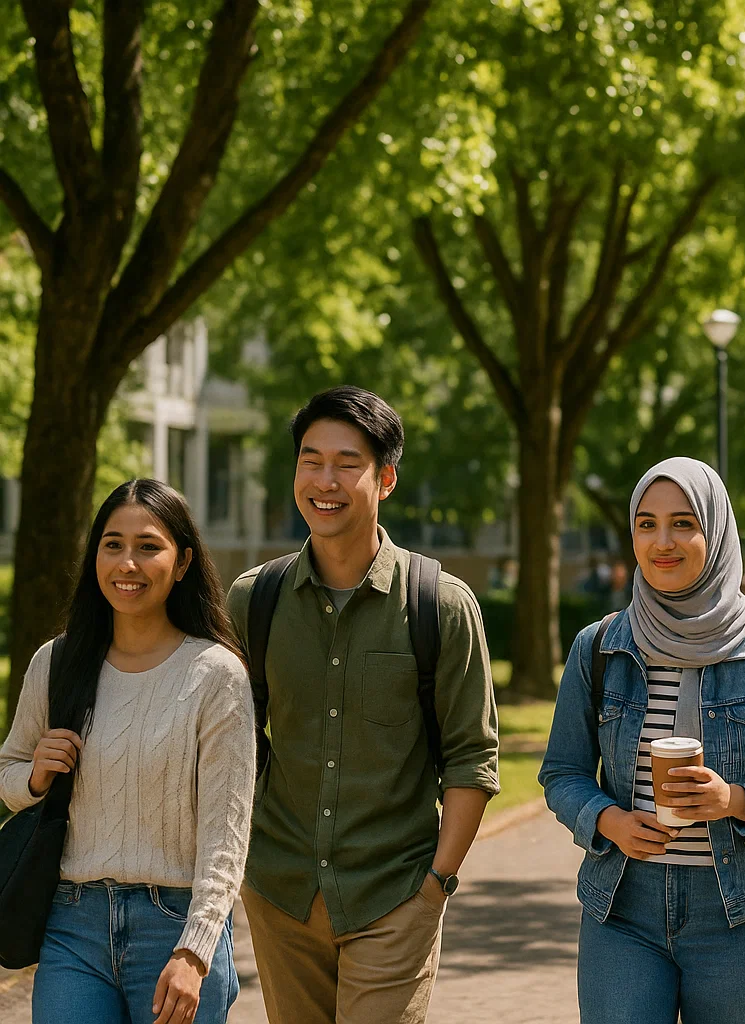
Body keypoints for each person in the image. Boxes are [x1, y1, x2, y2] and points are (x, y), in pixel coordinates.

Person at [227, 387, 500, 1024]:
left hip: (395, 893)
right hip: (281, 893)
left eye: (347, 463)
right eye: (309, 460)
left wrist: (436, 887)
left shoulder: (442, 605)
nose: (325, 480)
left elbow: (472, 759)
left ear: (386, 479)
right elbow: (226, 743)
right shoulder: (253, 602)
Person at [540, 457, 745, 1023]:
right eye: (646, 524)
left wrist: (736, 801)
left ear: (716, 529)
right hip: (623, 911)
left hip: (742, 917)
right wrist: (609, 821)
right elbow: (561, 774)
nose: (663, 542)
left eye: (683, 523)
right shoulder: (598, 647)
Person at [0, 479, 254, 1024]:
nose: (127, 563)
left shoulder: (216, 675)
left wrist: (197, 948)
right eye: (112, 545)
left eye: (148, 546)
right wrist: (35, 778)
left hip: (176, 924)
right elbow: (8, 771)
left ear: (182, 562)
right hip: (72, 926)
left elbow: (226, 837)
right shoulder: (57, 661)